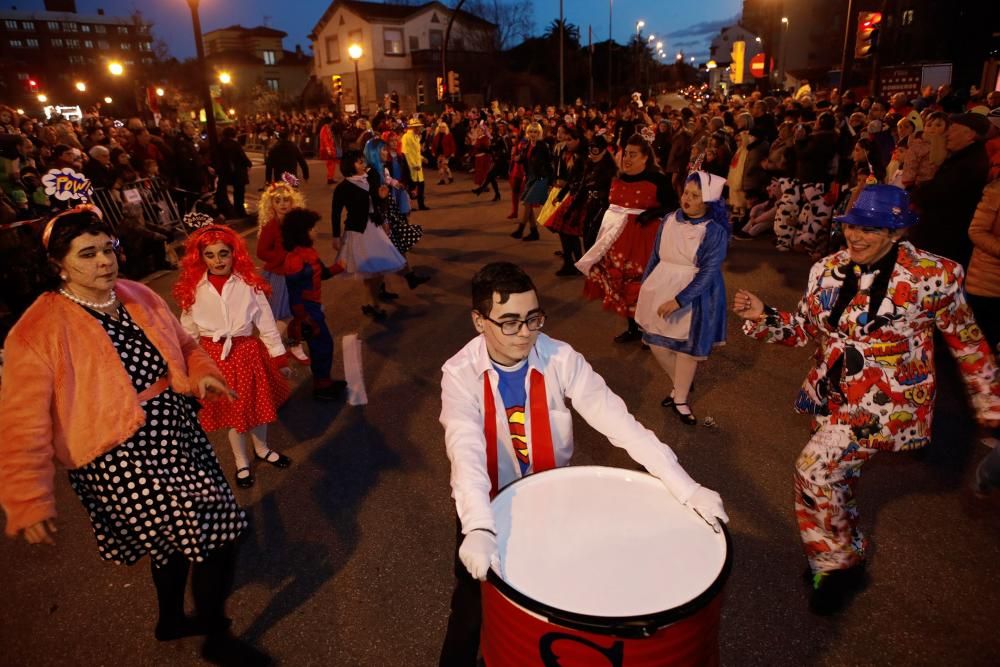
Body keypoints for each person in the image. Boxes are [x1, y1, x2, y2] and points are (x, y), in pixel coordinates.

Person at [0, 205, 270, 665]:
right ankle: (217, 638)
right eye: (88, 254)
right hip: (118, 455)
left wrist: (199, 372)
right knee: (218, 534)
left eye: (109, 249)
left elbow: (183, 345)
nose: (105, 261)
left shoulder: (136, 294)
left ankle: (170, 621)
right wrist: (27, 499)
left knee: (171, 543)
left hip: (177, 430)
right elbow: (20, 421)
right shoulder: (37, 329)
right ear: (57, 264)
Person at [438, 261, 729, 666]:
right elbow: (465, 449)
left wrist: (684, 485)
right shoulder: (459, 374)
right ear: (478, 320)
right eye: (509, 322)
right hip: (485, 504)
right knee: (470, 605)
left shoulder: (560, 358)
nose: (525, 333)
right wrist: (479, 526)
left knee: (556, 585)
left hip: (551, 494)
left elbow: (620, 424)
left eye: (532, 318)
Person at [733, 185, 1000, 615]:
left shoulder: (933, 275)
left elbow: (967, 341)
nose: (856, 236)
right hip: (832, 394)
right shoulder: (826, 269)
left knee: (814, 472)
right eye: (853, 226)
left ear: (895, 232)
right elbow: (804, 330)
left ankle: (834, 565)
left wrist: (992, 404)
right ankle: (847, 546)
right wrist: (764, 316)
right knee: (839, 480)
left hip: (889, 402)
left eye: (870, 229)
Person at [174, 224, 293, 488]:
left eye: (223, 253)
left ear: (234, 254)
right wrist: (187, 367)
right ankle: (241, 461)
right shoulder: (193, 289)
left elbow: (266, 321)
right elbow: (187, 332)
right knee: (234, 414)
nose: (218, 260)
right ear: (200, 257)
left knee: (257, 407)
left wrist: (278, 356)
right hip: (214, 357)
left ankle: (261, 449)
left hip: (248, 353)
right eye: (210, 255)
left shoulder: (249, 283)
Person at [636, 172, 730, 426]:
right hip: (661, 285)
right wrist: (645, 288)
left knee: (686, 350)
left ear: (708, 202)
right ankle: (681, 386)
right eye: (686, 193)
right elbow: (655, 256)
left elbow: (709, 272)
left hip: (696, 294)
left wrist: (680, 300)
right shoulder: (668, 219)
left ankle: (681, 397)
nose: (687, 199)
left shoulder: (714, 231)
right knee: (656, 343)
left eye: (695, 195)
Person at [578, 134, 679, 343]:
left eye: (633, 155)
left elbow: (673, 207)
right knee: (622, 285)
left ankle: (650, 330)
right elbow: (610, 207)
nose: (627, 159)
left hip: (645, 243)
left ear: (645, 158)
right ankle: (633, 328)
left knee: (643, 286)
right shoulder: (618, 177)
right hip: (618, 242)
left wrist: (653, 213)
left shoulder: (657, 180)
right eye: (625, 154)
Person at [331, 150, 407, 321]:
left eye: (363, 161)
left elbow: (375, 203)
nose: (363, 164)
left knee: (377, 269)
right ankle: (373, 304)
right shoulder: (343, 187)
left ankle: (371, 301)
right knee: (370, 270)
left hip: (375, 226)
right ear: (350, 165)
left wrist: (382, 200)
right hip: (358, 231)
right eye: (359, 162)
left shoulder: (370, 179)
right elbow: (335, 213)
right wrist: (336, 236)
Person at [281, 208, 348, 401]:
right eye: (312, 228)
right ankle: (322, 385)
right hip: (307, 308)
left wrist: (339, 268)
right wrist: (303, 317)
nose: (316, 231)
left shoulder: (308, 252)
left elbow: (323, 273)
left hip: (313, 306)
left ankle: (323, 381)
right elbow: (293, 292)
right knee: (322, 345)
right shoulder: (294, 259)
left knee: (323, 345)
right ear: (302, 232)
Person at [910, 112, 991, 266]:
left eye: (953, 129)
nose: (947, 134)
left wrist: (918, 193)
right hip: (940, 237)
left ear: (969, 134)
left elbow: (940, 193)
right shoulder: (962, 158)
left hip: (943, 243)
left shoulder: (969, 163)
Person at [256, 180, 309, 363]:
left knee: (298, 312)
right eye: (277, 201)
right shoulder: (271, 226)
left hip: (298, 273)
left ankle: (294, 344)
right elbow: (261, 251)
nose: (282, 204)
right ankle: (269, 350)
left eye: (286, 200)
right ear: (271, 204)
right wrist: (283, 256)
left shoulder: (296, 223)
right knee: (283, 314)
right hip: (280, 276)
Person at [511, 122, 552, 241]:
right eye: (530, 131)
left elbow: (549, 164)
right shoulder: (528, 145)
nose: (533, 134)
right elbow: (525, 158)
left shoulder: (542, 146)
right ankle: (534, 232)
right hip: (530, 177)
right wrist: (518, 159)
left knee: (527, 203)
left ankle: (520, 229)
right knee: (528, 205)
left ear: (539, 133)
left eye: (535, 132)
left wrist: (551, 182)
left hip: (540, 178)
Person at [214, 126, 253, 219]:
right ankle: (240, 211)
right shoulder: (235, 144)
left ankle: (233, 211)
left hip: (227, 173)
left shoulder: (220, 145)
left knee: (229, 191)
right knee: (239, 193)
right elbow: (242, 157)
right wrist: (249, 164)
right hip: (238, 172)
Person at [402, 119, 429, 210]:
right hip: (411, 167)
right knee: (410, 188)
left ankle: (421, 205)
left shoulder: (416, 137)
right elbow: (406, 153)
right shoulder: (406, 137)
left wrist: (422, 158)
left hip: (418, 166)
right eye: (417, 126)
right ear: (412, 127)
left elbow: (416, 152)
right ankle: (409, 206)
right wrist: (413, 165)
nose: (419, 128)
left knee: (421, 186)